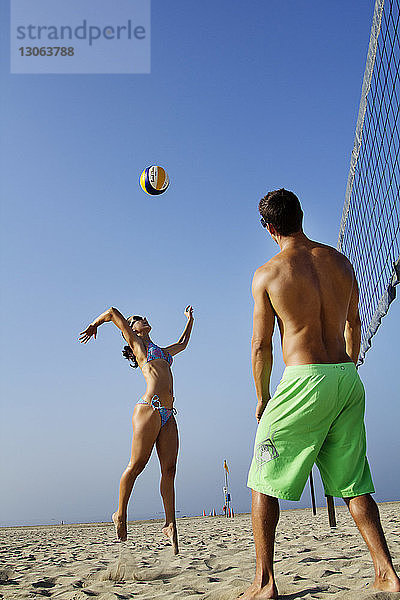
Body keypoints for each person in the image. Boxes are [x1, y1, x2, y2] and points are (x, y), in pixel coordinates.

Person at [242, 189, 400, 599]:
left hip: (304, 378)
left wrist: (262, 397)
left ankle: (264, 582)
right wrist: (346, 366)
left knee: (263, 478)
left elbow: (260, 346)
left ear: (270, 227)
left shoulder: (268, 273)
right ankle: (386, 572)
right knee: (355, 483)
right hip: (347, 377)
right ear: (302, 216)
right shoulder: (341, 262)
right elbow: (354, 323)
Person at [79, 305, 194, 553]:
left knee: (170, 470)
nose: (145, 319)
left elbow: (183, 343)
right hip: (148, 409)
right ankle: (120, 513)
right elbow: (111, 312)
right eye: (139, 319)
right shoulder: (138, 346)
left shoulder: (163, 352)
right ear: (132, 329)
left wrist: (189, 319)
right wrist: (94, 324)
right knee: (137, 465)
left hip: (168, 414)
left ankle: (169, 523)